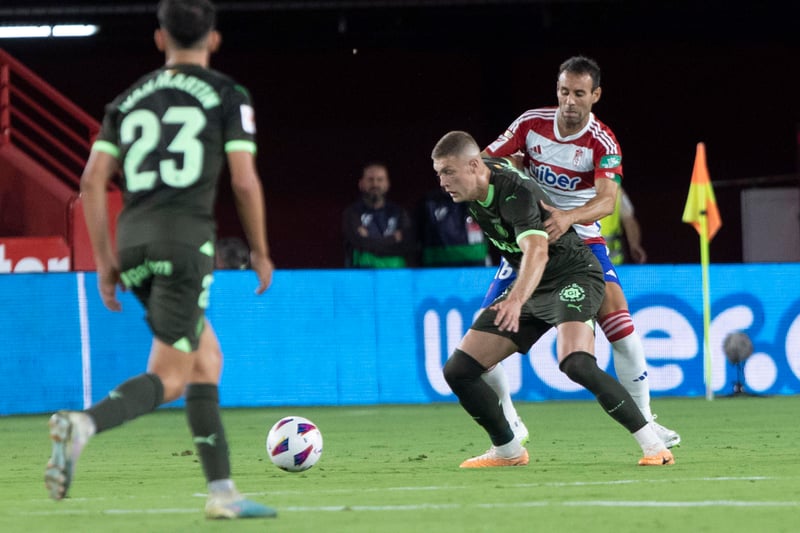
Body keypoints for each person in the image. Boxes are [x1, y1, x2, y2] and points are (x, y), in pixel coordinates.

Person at [44, 0, 277, 520]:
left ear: (159, 39)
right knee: (170, 376)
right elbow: (243, 180)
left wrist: (105, 261)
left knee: (205, 360)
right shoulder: (227, 94)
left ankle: (223, 493)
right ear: (213, 39)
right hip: (185, 243)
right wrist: (260, 251)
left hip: (132, 244)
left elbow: (90, 181)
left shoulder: (126, 100)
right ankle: (83, 424)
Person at [431, 131, 673, 468]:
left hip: (573, 275)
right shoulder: (474, 186)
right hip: (534, 282)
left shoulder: (513, 194)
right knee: (459, 370)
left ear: (473, 165)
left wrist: (515, 300)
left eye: (448, 172)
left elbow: (538, 251)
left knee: (576, 363)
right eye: (439, 173)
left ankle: (654, 446)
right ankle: (508, 450)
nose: (442, 182)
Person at [481, 55, 679, 448]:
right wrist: (513, 172)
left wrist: (568, 217)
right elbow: (487, 160)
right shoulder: (530, 124)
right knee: (480, 335)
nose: (569, 101)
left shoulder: (602, 142)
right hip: (530, 240)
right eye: (564, 92)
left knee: (620, 324)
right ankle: (510, 420)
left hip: (583, 239)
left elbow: (607, 201)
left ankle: (645, 419)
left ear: (596, 95)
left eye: (579, 94)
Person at [342, 162, 415, 268]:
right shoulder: (352, 213)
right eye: (370, 180)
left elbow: (407, 244)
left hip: (395, 273)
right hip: (362, 273)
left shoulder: (399, 212)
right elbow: (359, 243)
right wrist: (393, 238)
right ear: (361, 184)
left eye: (380, 180)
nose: (375, 184)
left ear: (387, 184)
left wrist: (370, 239)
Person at [416, 186, 490, 267]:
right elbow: (417, 235)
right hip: (438, 267)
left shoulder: (477, 199)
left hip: (477, 266)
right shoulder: (428, 202)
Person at [599, 186, 647, 265]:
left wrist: (634, 245)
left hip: (613, 261)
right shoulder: (577, 189)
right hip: (584, 260)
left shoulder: (617, 190)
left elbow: (628, 219)